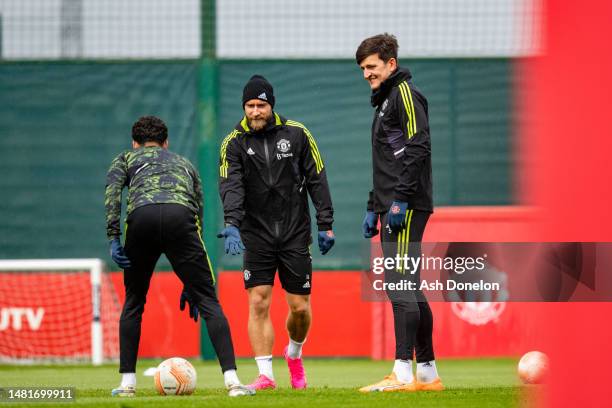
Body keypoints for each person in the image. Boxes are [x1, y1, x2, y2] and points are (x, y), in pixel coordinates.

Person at [105, 115, 253, 397]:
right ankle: (234, 383)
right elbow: (198, 212)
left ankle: (127, 385)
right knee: (209, 301)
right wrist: (191, 280)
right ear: (166, 142)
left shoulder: (125, 159)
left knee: (134, 302)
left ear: (134, 143)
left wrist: (114, 238)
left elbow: (112, 195)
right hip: (179, 218)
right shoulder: (184, 163)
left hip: (142, 219)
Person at [218, 75, 335, 390]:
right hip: (256, 234)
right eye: (250, 106)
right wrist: (231, 224)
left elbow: (317, 179)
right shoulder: (233, 143)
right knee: (258, 301)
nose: (255, 112)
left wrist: (326, 223)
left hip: (295, 232)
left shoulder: (298, 134)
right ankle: (266, 375)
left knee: (299, 307)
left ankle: (294, 354)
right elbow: (232, 186)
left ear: (271, 105)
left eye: (261, 105)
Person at [355, 34, 443, 392]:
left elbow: (419, 146)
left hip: (405, 205)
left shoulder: (405, 94)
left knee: (399, 285)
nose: (366, 73)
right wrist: (374, 205)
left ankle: (402, 372)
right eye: (362, 68)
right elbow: (390, 160)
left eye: (371, 66)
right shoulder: (385, 101)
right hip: (393, 204)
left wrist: (400, 200)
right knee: (410, 288)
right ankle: (426, 373)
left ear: (391, 64)